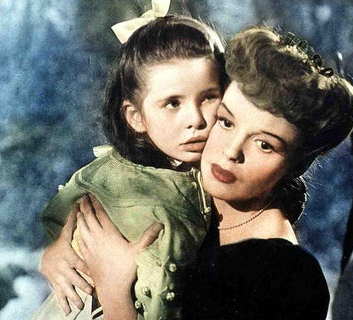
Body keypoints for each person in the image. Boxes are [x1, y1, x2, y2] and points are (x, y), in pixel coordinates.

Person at [74, 26, 353, 320]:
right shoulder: (177, 196)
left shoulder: (288, 277)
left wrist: (114, 294)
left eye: (264, 144)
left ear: (296, 164)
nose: (231, 151)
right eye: (225, 122)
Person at [31, 13, 226, 320]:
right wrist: (57, 250)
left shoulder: (210, 176)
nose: (195, 120)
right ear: (135, 117)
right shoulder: (122, 180)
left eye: (208, 98)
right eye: (173, 103)